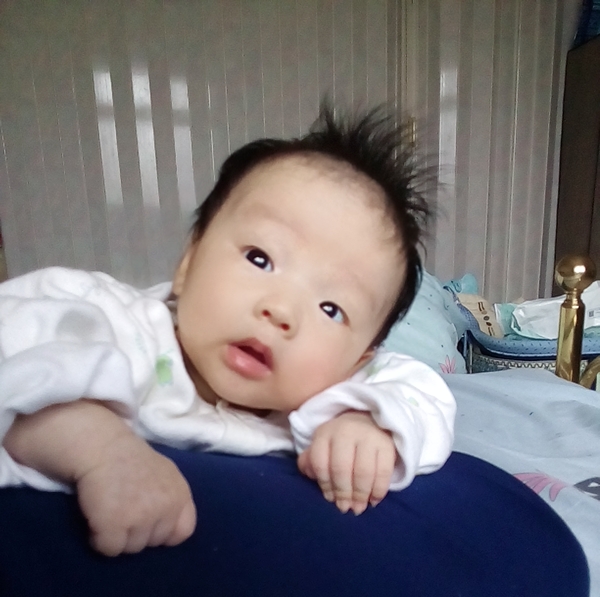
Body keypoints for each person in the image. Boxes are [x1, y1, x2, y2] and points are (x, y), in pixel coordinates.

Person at [0, 105, 455, 557]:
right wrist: (104, 451)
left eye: (331, 308)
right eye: (260, 259)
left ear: (357, 361)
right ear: (187, 263)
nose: (281, 310)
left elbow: (423, 396)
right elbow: (23, 376)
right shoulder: (118, 328)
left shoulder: (332, 393)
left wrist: (367, 423)